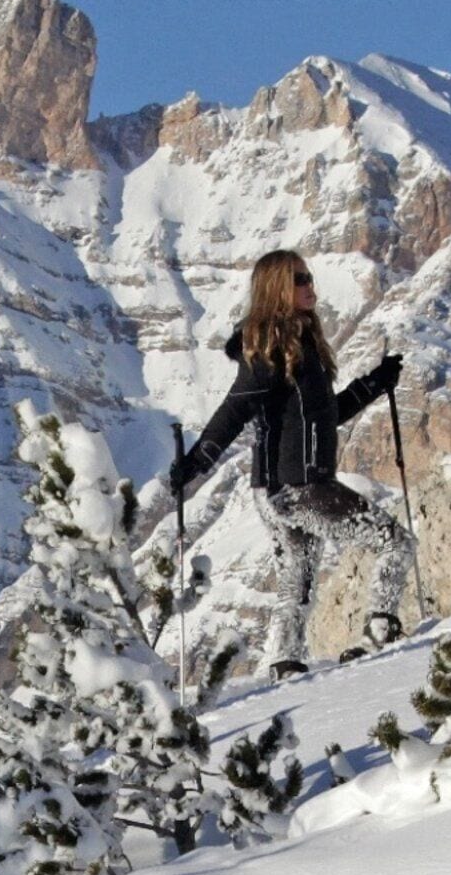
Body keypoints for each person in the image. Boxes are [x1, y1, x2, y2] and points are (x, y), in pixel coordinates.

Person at [160, 249, 412, 680]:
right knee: (395, 542)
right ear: (276, 288)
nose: (310, 285)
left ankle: (285, 661)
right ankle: (380, 633)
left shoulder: (297, 345)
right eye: (299, 279)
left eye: (309, 276)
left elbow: (325, 415)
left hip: (276, 489)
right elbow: (236, 409)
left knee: (298, 573)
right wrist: (196, 462)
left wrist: (374, 383)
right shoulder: (270, 347)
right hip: (301, 486)